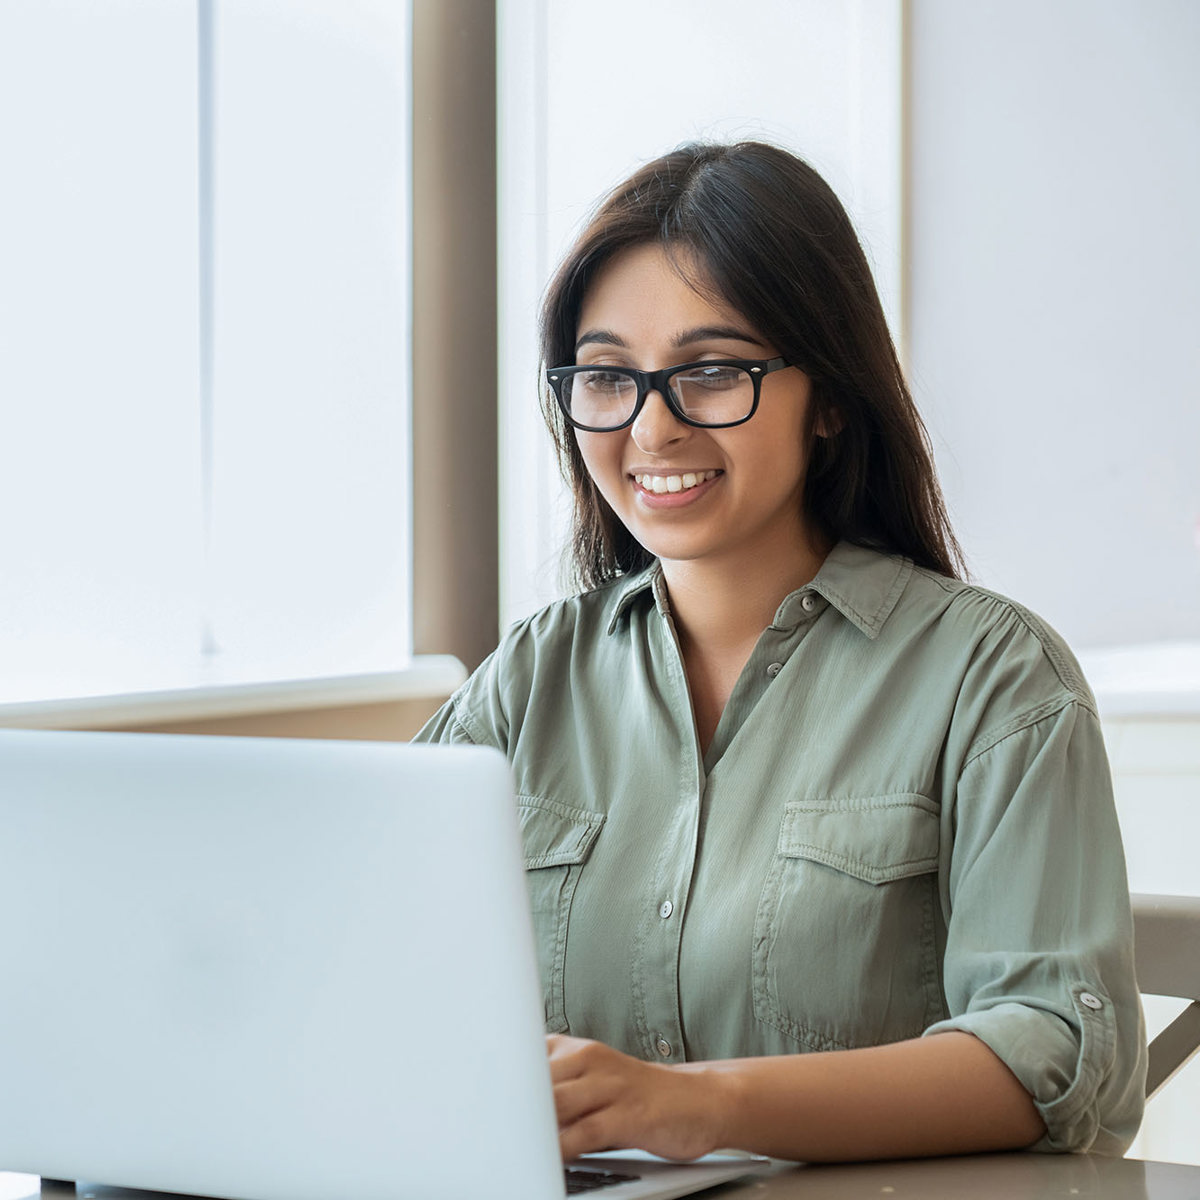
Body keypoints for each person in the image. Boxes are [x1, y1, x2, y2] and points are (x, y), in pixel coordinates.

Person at [414, 141, 1146, 1162]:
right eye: (608, 377)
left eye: (712, 372)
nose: (651, 429)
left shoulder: (995, 678)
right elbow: (365, 970)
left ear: (832, 399)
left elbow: (1053, 1052)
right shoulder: (524, 683)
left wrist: (693, 1105)